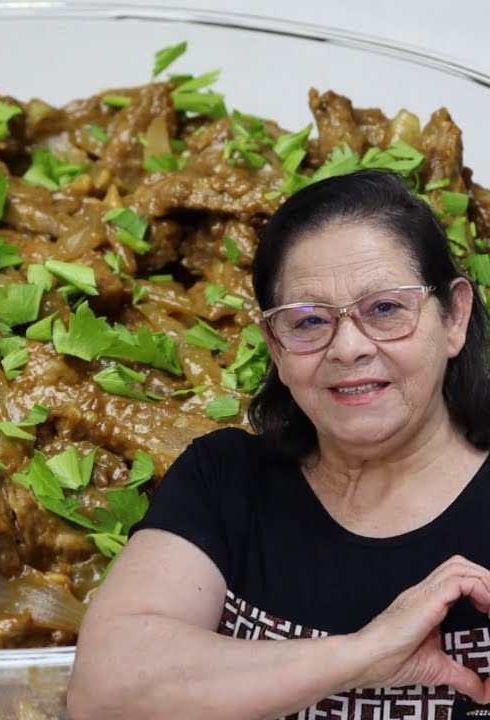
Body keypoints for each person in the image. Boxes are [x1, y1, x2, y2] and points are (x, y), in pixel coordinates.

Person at [67, 168, 490, 719]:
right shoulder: (224, 478)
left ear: (454, 316)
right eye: (309, 321)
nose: (348, 347)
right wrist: (363, 654)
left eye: (385, 309)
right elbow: (105, 691)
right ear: (274, 343)